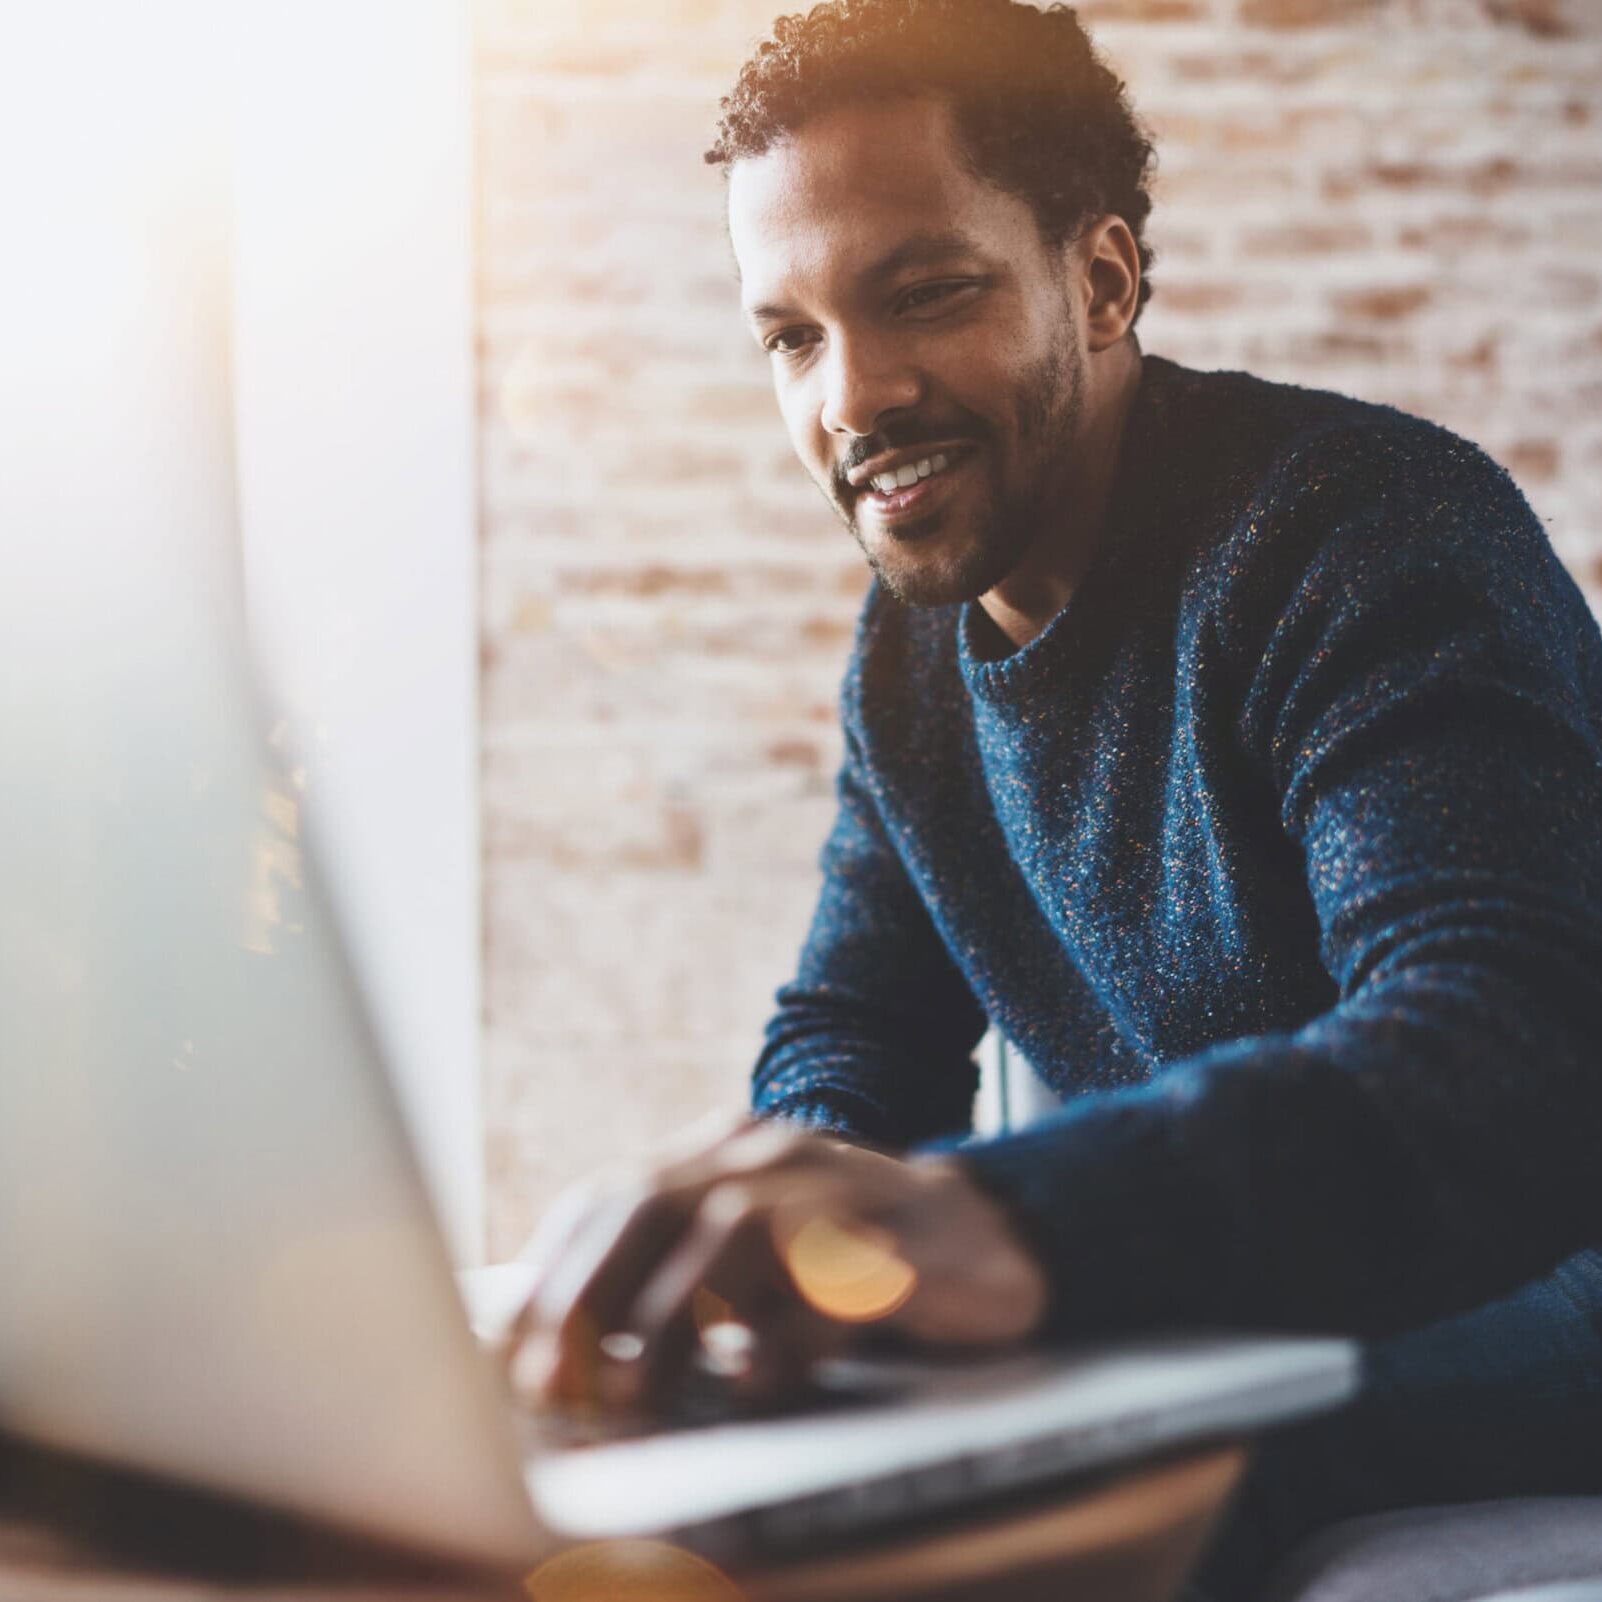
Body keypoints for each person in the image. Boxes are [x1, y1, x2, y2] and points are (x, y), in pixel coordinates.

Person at [505, 0, 1602, 1590]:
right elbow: (856, 1033)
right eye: (791, 337)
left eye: (924, 294)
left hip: (1551, 1265)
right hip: (1248, 1279)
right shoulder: (912, 652)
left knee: (1081, 1455)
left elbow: (1506, 1057)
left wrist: (1004, 1224)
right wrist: (776, 1254)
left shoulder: (1360, 529)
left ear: (1098, 280)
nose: (854, 396)